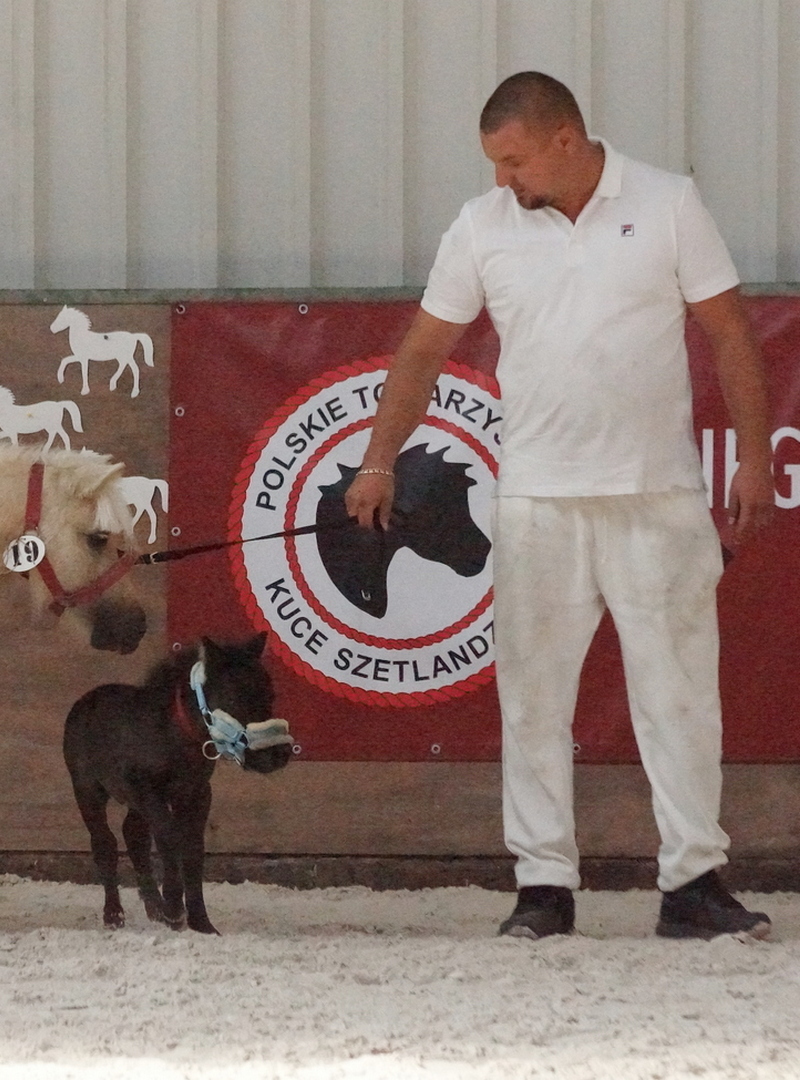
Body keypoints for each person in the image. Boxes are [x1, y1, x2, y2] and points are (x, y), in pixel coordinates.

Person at [345, 72, 775, 941]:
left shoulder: (667, 202)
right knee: (534, 700)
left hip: (659, 494)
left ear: (565, 140)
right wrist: (377, 458)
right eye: (495, 165)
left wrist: (757, 454)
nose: (503, 180)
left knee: (680, 697)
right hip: (537, 497)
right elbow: (425, 347)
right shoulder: (481, 227)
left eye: (513, 160)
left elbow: (730, 331)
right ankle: (543, 886)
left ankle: (694, 882)